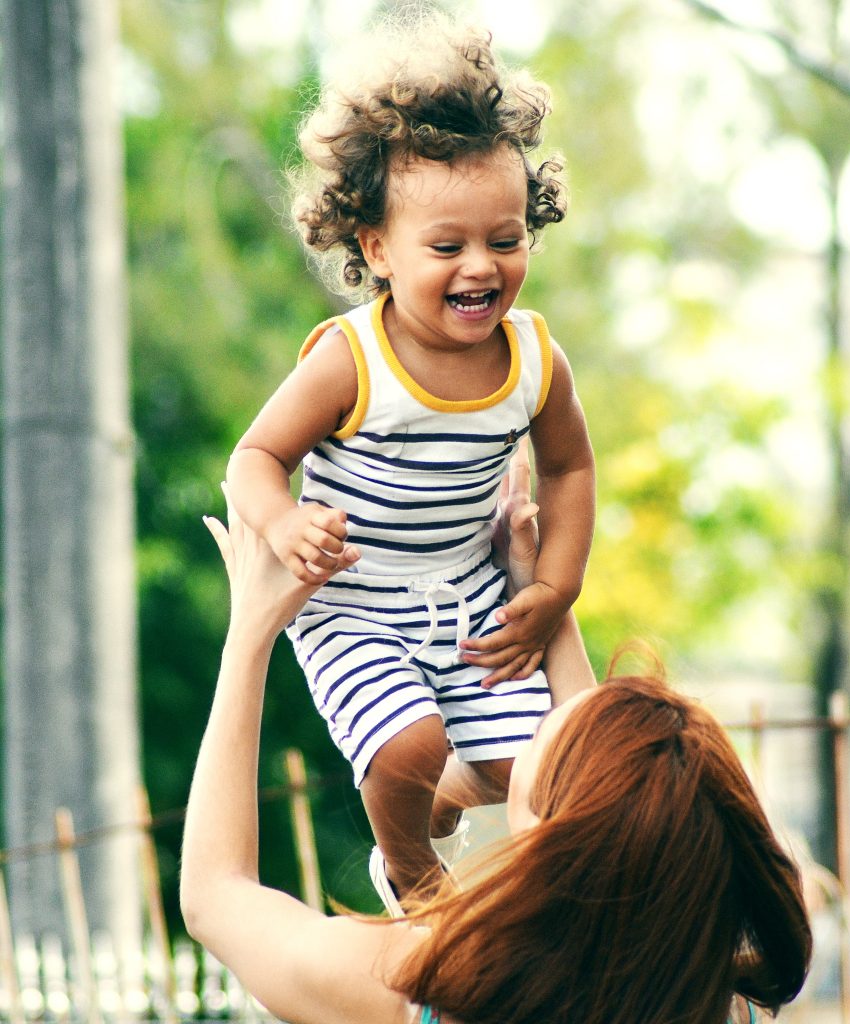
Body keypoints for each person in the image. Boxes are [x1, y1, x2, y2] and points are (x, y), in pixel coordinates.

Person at [182, 469, 812, 1024]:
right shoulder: (718, 1001)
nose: (540, 715)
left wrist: (249, 634)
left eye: (543, 734)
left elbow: (216, 897)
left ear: (547, 836)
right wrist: (536, 591)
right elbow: (601, 792)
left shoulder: (417, 989)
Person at [225, 14, 596, 912]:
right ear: (376, 249)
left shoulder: (535, 359)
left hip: (467, 591)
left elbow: (572, 471)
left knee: (531, 770)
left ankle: (440, 797)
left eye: (505, 240)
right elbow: (254, 457)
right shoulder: (352, 361)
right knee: (406, 746)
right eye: (447, 247)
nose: (481, 267)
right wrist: (284, 522)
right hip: (353, 599)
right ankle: (413, 876)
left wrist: (553, 589)